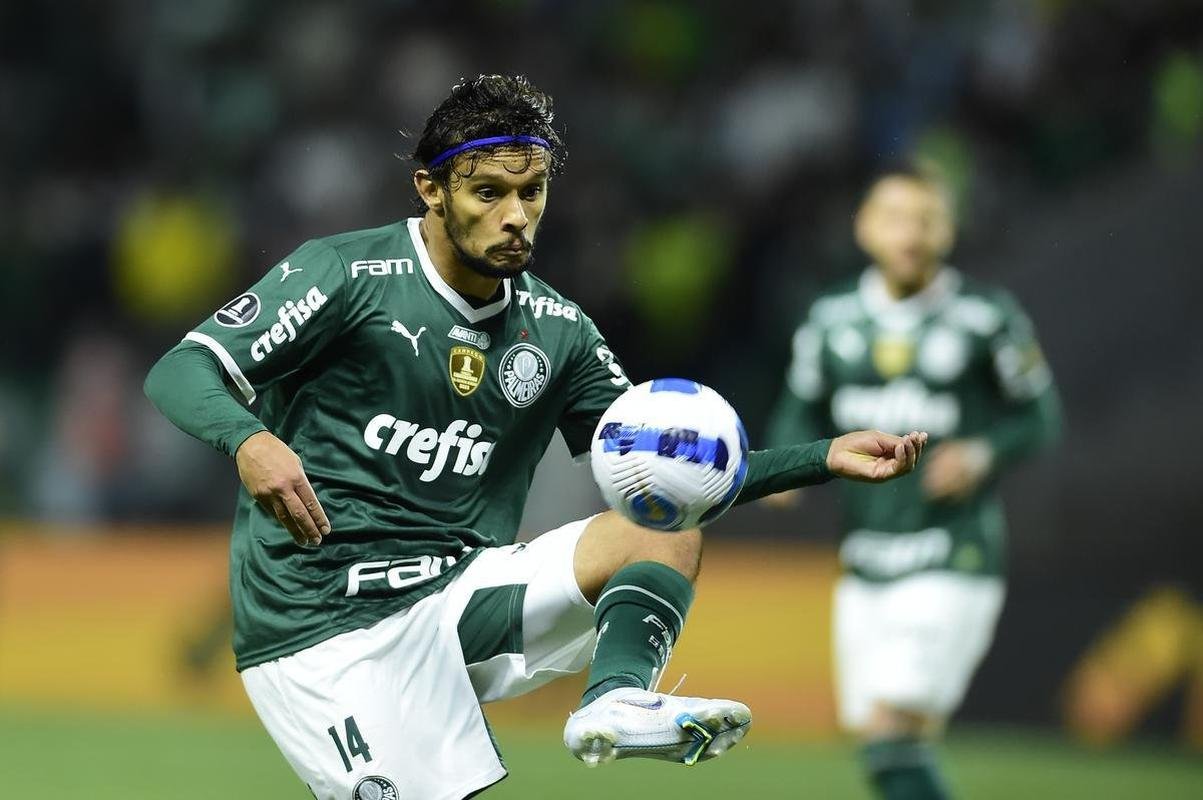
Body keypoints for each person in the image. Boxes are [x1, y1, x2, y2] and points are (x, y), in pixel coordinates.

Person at [144, 74, 928, 800]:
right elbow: (182, 369)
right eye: (488, 192)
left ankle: (616, 698)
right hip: (319, 624)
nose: (515, 215)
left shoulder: (557, 330)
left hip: (454, 593)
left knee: (660, 522)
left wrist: (821, 458)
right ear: (431, 189)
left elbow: (672, 464)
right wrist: (250, 441)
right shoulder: (346, 275)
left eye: (532, 191)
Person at [766, 163, 1061, 800]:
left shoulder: (984, 317)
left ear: (948, 230)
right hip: (865, 560)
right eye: (895, 218)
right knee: (890, 747)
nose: (911, 233)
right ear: (865, 228)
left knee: (888, 732)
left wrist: (982, 453)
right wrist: (786, 469)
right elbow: (798, 408)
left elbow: (1040, 416)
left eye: (926, 219)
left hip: (953, 553)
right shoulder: (832, 320)